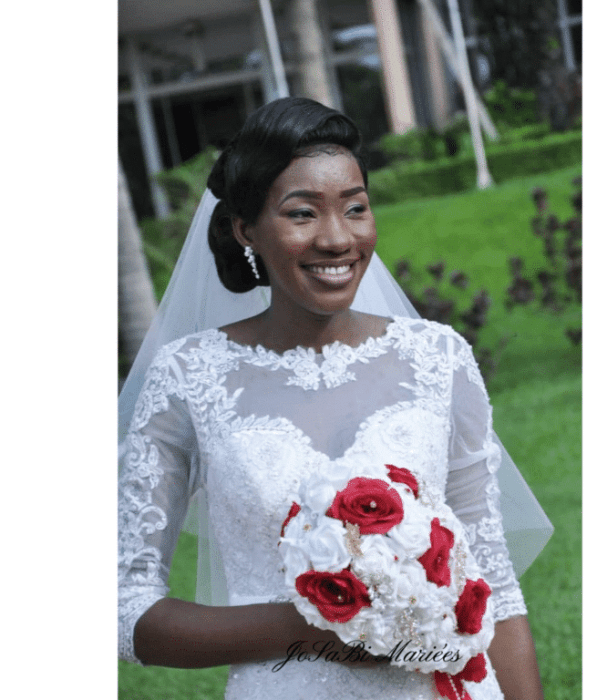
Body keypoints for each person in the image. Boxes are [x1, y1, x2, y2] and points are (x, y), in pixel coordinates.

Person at [118, 97, 552, 700]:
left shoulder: (437, 359)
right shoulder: (190, 377)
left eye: (355, 208)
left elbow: (495, 590)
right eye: (302, 214)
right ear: (246, 229)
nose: (336, 238)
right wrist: (323, 624)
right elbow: (127, 609)